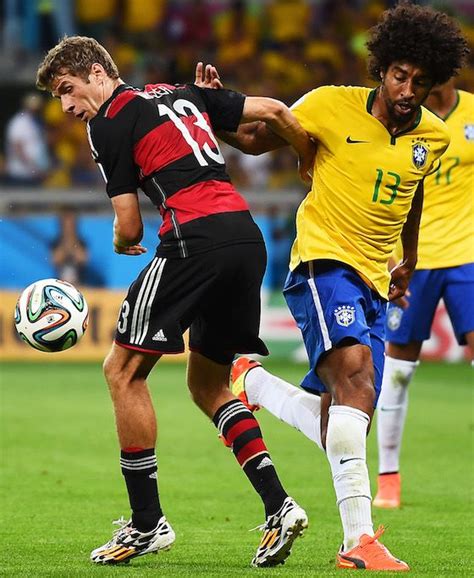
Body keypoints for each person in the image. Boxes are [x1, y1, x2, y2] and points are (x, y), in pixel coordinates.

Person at [36, 36, 314, 567]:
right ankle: (280, 507)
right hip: (244, 239)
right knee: (207, 383)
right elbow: (276, 112)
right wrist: (307, 159)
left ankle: (146, 524)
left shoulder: (108, 121)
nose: (68, 107)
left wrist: (121, 241)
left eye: (68, 91)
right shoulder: (182, 93)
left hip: (194, 240)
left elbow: (128, 224)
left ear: (97, 72)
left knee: (121, 372)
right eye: (58, 99)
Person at [214, 2, 468, 572]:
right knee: (356, 378)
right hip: (323, 262)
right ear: (381, 69)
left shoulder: (433, 135)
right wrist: (213, 105)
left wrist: (411, 255)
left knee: (344, 418)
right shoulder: (331, 103)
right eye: (400, 75)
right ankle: (357, 542)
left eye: (420, 81)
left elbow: (414, 191)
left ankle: (253, 385)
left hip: (378, 279)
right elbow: (257, 139)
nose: (408, 89)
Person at [374, 79, 474, 509]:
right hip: (412, 259)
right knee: (397, 371)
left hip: (468, 254)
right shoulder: (403, 117)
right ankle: (389, 478)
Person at [4, 93, 51, 186]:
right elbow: (17, 148)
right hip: (21, 174)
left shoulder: (35, 121)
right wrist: (34, 168)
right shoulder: (19, 122)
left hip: (33, 174)